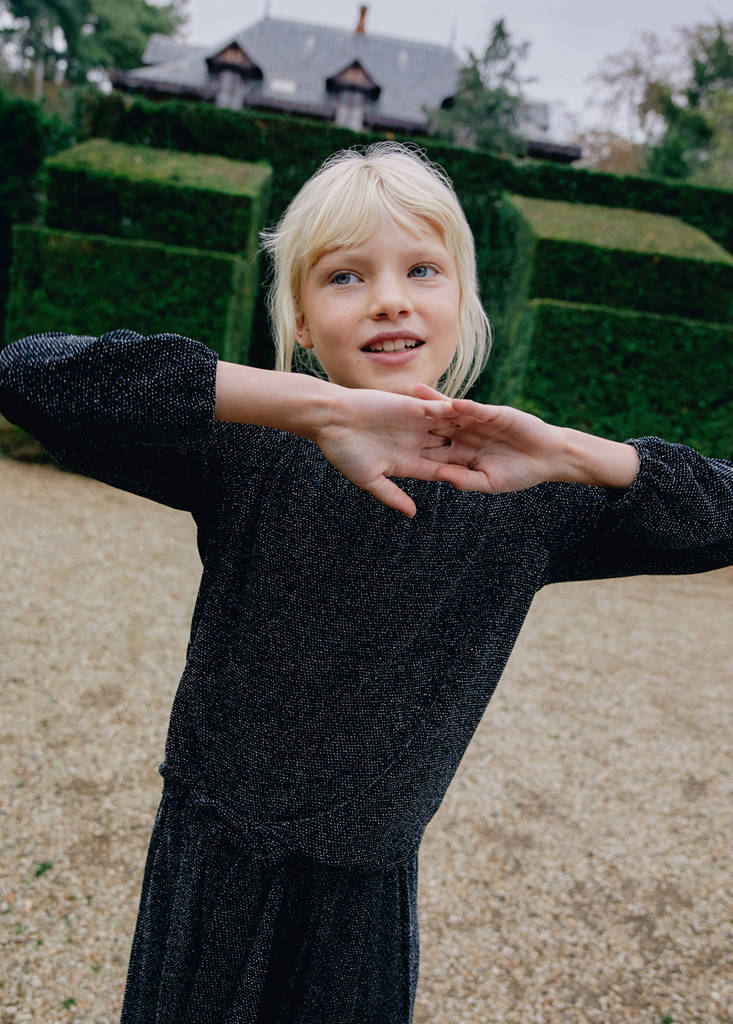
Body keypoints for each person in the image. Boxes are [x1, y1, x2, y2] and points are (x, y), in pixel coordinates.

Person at [0, 142, 731, 1024]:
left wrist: (575, 452)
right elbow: (31, 374)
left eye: (422, 269)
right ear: (302, 321)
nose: (389, 297)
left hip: (361, 899)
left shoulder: (526, 491)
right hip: (208, 860)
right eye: (345, 276)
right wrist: (312, 409)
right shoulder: (252, 450)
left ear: (462, 299)